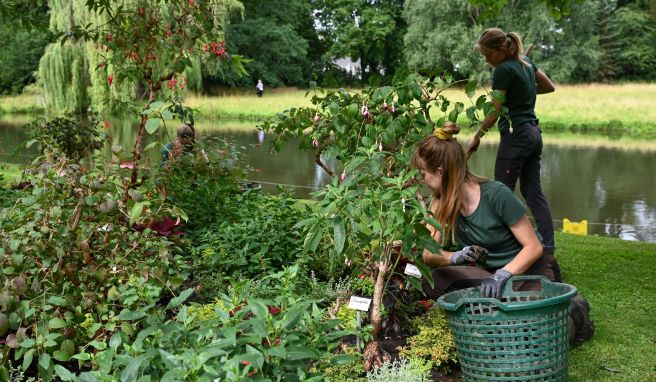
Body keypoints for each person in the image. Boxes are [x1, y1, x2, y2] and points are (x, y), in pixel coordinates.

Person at [413, 123, 594, 343]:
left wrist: (503, 274)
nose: (422, 180)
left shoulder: (496, 195)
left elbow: (534, 247)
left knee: (538, 332)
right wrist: (456, 256)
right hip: (489, 276)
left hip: (527, 273)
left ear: (440, 172)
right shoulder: (441, 202)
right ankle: (505, 309)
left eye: (423, 174)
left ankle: (573, 312)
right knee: (433, 280)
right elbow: (428, 255)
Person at [466, 28, 560, 280]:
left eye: (488, 55)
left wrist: (477, 136)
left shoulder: (503, 70)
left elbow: (495, 111)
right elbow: (548, 86)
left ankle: (504, 254)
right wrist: (522, 93)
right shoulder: (526, 62)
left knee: (499, 194)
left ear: (501, 50)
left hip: (516, 135)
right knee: (533, 192)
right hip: (533, 133)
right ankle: (547, 250)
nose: (487, 61)